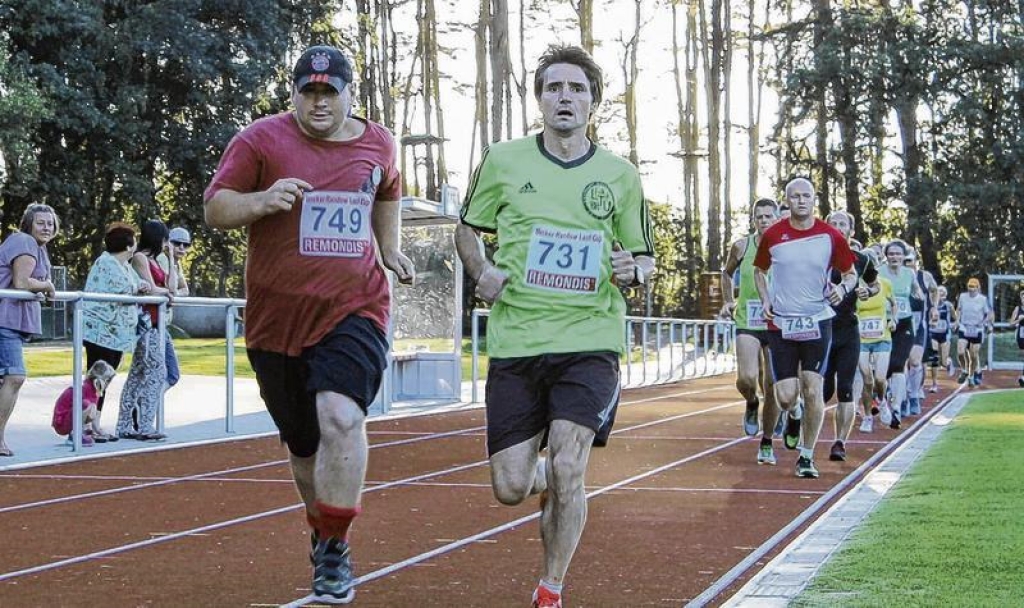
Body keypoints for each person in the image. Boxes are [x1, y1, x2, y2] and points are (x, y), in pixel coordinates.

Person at [204, 44, 415, 604]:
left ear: (350, 94)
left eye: (330, 91)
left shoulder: (379, 142)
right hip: (277, 322)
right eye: (309, 91)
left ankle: (336, 547)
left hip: (356, 308)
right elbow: (216, 208)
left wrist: (388, 249)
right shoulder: (260, 141)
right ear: (294, 93)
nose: (319, 102)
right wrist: (263, 200)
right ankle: (322, 531)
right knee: (303, 447)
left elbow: (388, 190)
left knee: (340, 415)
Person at [455, 45, 654, 608]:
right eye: (553, 88)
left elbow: (644, 257)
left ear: (594, 102)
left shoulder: (620, 175)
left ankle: (551, 588)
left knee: (570, 464)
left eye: (577, 89)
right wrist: (482, 269)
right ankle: (545, 476)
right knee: (510, 487)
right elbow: (468, 228)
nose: (564, 97)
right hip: (518, 340)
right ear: (539, 98)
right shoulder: (503, 160)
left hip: (590, 339)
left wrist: (633, 269)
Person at [753, 178, 857, 479]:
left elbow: (850, 274)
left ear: (814, 200)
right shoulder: (773, 235)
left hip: (817, 319)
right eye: (794, 196)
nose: (800, 201)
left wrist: (842, 289)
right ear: (787, 200)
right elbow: (759, 270)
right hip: (781, 321)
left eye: (806, 196)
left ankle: (807, 456)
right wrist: (765, 297)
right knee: (785, 396)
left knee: (814, 389)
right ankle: (794, 414)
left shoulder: (830, 235)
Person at [721, 198, 781, 465]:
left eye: (769, 216)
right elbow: (726, 273)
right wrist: (727, 301)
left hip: (778, 323)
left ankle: (767, 440)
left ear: (777, 218)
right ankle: (751, 402)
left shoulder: (786, 247)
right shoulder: (742, 246)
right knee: (746, 378)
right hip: (748, 319)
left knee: (773, 385)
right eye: (760, 217)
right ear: (753, 219)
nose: (764, 221)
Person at [81, 222, 152, 442]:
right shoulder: (106, 262)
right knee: (96, 378)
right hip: (99, 332)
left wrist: (143, 286)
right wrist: (139, 287)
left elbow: (137, 283)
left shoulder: (124, 266)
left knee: (104, 379)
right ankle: (84, 425)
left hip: (117, 334)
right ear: (129, 245)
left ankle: (95, 423)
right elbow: (121, 287)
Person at [0, 204, 59, 457]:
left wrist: (44, 289)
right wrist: (46, 285)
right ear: (28, 224)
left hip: (13, 321)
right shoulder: (24, 241)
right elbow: (22, 282)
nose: (46, 227)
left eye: (50, 223)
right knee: (15, 376)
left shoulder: (38, 248)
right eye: (41, 222)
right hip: (5, 319)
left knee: (7, 379)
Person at [823, 211, 880, 461]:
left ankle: (839, 442)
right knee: (821, 391)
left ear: (851, 230)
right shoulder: (817, 255)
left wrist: (868, 290)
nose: (837, 227)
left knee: (846, 388)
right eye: (832, 223)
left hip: (848, 330)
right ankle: (802, 432)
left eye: (842, 224)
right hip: (821, 330)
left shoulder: (862, 259)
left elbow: (875, 284)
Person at [115, 220, 175, 441]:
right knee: (156, 373)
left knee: (139, 374)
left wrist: (172, 260)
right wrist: (166, 294)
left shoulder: (156, 260)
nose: (167, 244)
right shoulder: (140, 257)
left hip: (157, 324)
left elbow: (170, 288)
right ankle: (143, 425)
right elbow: (151, 287)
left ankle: (127, 425)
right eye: (165, 239)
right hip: (146, 323)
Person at [876, 239, 922, 429]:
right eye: (891, 254)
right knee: (882, 371)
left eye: (898, 254)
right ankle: (884, 397)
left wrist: (919, 294)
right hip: (884, 324)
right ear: (886, 256)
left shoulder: (909, 273)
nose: (894, 257)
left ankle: (896, 407)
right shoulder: (879, 272)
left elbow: (916, 290)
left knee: (898, 364)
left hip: (904, 324)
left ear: (904, 256)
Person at [854, 248, 897, 433]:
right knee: (867, 379)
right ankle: (868, 417)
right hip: (861, 339)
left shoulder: (885, 284)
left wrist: (894, 319)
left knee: (880, 378)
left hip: (882, 337)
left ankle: (882, 401)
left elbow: (894, 304)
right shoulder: (854, 285)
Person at [902, 248, 938, 416]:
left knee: (915, 361)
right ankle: (901, 398)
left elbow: (934, 290)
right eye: (905, 261)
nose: (908, 264)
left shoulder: (924, 276)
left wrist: (934, 307)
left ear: (916, 261)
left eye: (911, 261)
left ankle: (914, 395)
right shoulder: (895, 276)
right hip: (899, 325)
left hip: (918, 325)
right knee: (900, 364)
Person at [51, 360, 117, 445]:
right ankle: (75, 435)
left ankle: (82, 433)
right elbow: (85, 408)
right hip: (62, 423)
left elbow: (93, 415)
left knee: (91, 407)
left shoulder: (94, 391)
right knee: (87, 405)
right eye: (107, 380)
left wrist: (100, 431)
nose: (108, 384)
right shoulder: (84, 388)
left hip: (70, 418)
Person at [954, 277, 993, 386]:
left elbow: (989, 314)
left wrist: (985, 322)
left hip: (977, 328)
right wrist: (957, 321)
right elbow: (959, 309)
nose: (971, 289)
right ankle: (964, 370)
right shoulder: (962, 297)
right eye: (970, 287)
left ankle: (973, 374)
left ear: (978, 288)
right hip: (964, 327)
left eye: (974, 287)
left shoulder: (983, 299)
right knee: (960, 351)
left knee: (974, 354)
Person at [927, 285, 954, 391]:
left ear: (946, 294)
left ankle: (948, 362)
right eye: (939, 291)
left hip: (945, 334)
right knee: (934, 358)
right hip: (933, 333)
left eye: (943, 291)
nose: (941, 293)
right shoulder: (931, 306)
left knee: (943, 362)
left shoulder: (948, 306)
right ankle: (934, 384)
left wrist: (955, 324)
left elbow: (955, 317)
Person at [1010, 290, 1024, 387]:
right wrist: (1019, 319)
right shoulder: (1017, 309)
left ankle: (1023, 378)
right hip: (1021, 333)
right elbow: (1011, 323)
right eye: (1023, 297)